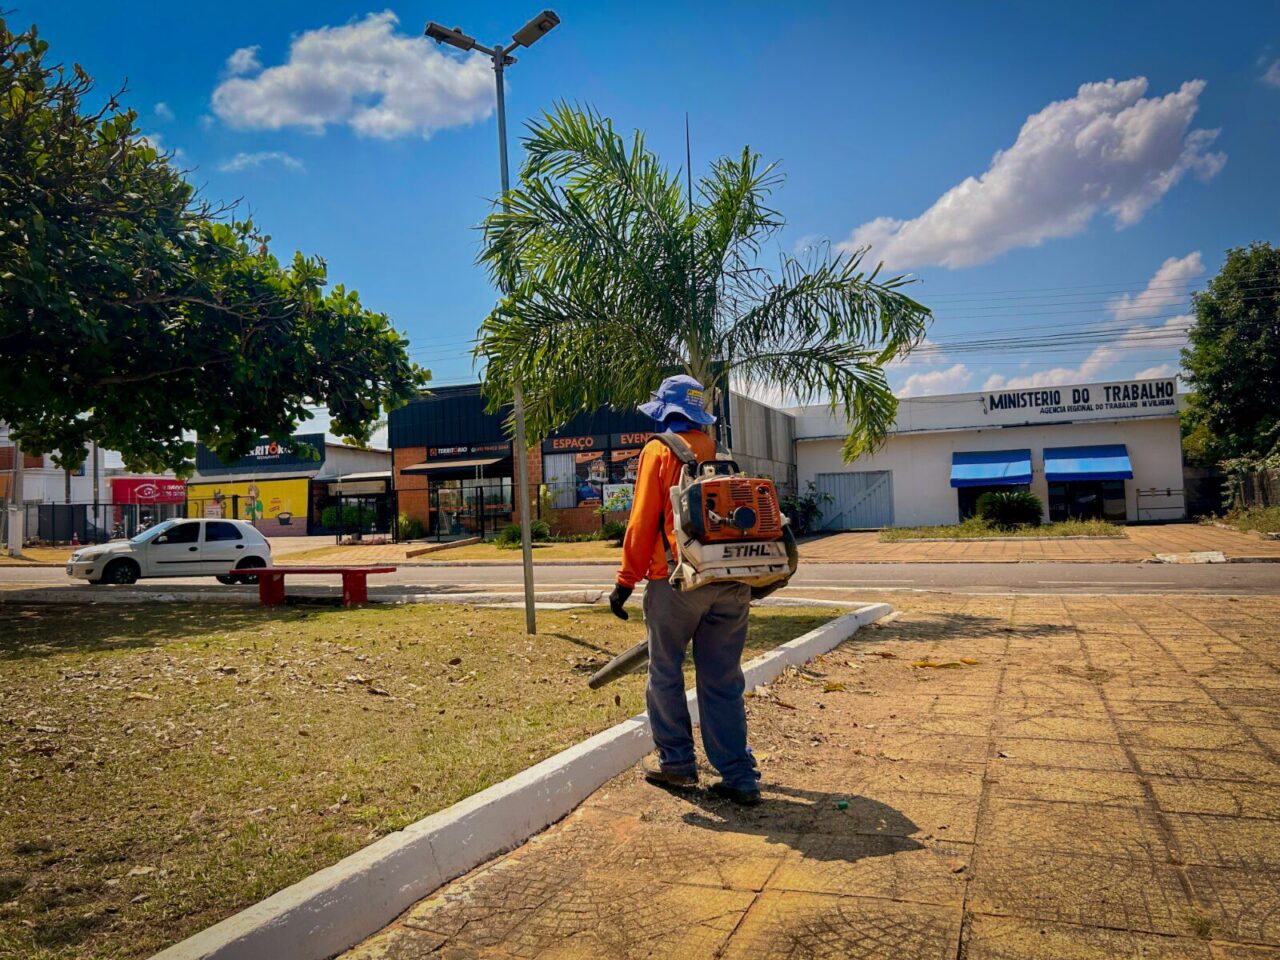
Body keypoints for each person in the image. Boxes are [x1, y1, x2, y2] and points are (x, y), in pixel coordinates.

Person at [608, 375, 760, 805]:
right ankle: (739, 775)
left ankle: (677, 764)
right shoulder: (719, 451)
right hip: (730, 581)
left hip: (677, 581)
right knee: (722, 680)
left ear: (665, 412)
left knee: (665, 671)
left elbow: (641, 523)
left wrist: (624, 582)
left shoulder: (659, 450)